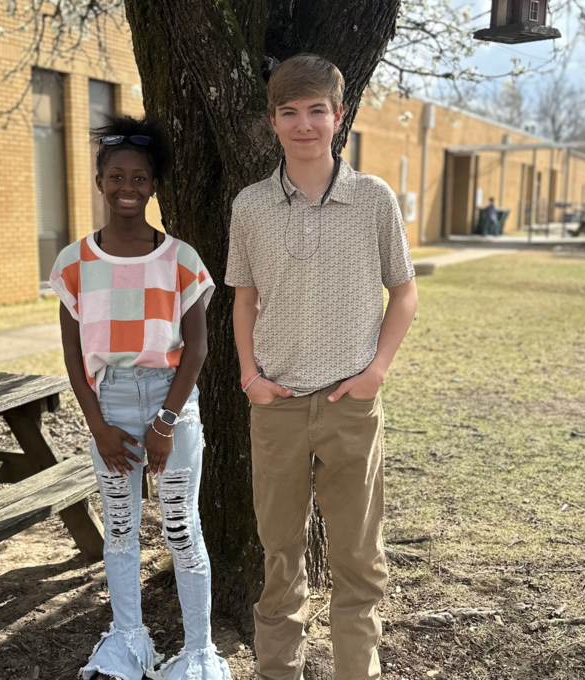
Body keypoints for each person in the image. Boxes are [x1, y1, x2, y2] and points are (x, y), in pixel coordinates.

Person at [225, 55, 418, 680]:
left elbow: (404, 292)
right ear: (273, 122)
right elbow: (244, 300)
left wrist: (376, 370)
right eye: (289, 112)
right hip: (276, 407)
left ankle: (357, 671)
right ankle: (278, 672)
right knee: (280, 555)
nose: (303, 124)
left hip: (350, 405)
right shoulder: (251, 205)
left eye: (316, 111)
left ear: (338, 115)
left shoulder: (373, 199)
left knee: (359, 558)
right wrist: (250, 378)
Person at [50, 116, 231, 680]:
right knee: (121, 530)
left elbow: (197, 348)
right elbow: (73, 355)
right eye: (116, 176)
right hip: (108, 405)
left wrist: (165, 423)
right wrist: (99, 427)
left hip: (169, 402)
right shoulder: (74, 262)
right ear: (100, 181)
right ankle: (128, 643)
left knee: (181, 528)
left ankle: (198, 654)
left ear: (154, 185)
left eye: (140, 177)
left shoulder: (180, 259)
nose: (127, 187)